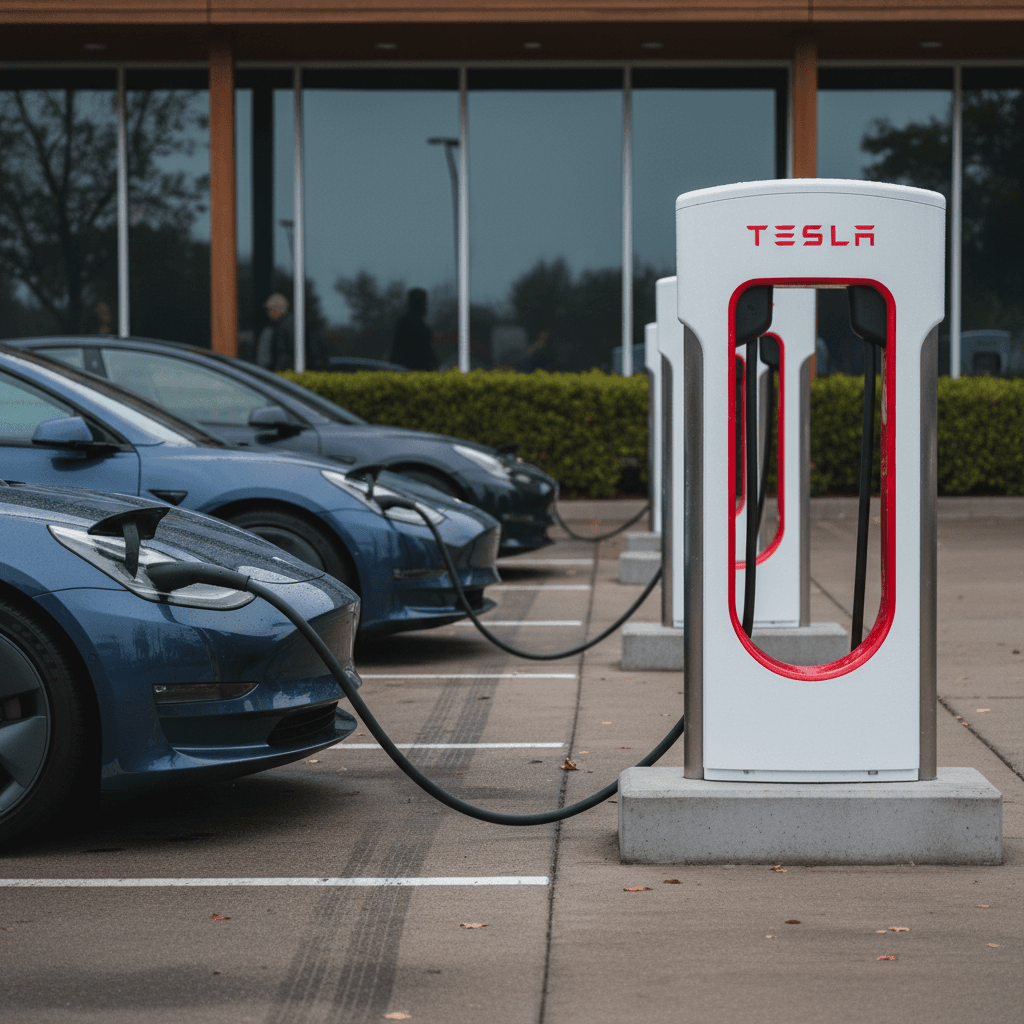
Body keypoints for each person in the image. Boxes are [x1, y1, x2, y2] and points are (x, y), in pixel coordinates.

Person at [391, 288, 438, 371]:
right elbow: (424, 352)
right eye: (423, 302)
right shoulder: (413, 325)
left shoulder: (405, 323)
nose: (425, 305)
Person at [256, 293, 295, 371]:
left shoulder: (287, 325)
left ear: (279, 309)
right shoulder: (284, 324)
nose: (268, 313)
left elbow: (285, 353)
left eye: (270, 309)